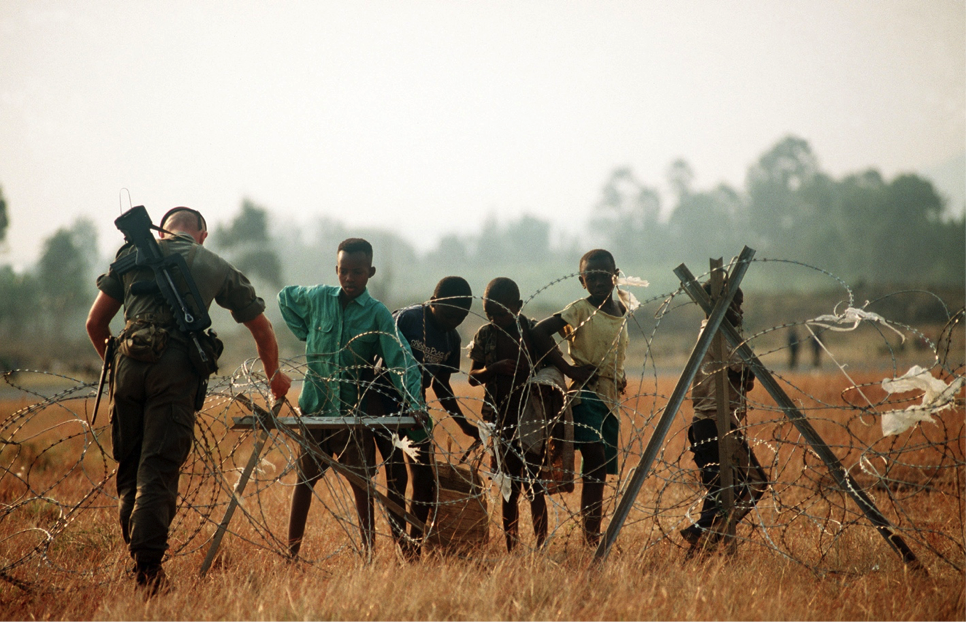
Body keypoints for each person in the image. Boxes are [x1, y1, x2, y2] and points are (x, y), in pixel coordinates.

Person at [85, 206, 291, 594]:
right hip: (175, 368)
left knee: (129, 469)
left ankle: (138, 556)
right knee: (157, 470)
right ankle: (147, 572)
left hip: (127, 364)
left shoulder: (130, 255)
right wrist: (274, 377)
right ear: (203, 234)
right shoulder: (214, 263)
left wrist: (117, 369)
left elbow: (95, 325)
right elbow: (261, 329)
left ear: (161, 232)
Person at [278, 238, 426, 559]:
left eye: (357, 272)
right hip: (316, 407)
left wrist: (415, 403)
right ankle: (292, 554)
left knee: (362, 486)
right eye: (344, 271)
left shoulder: (377, 315)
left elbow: (400, 359)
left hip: (352, 412)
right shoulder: (318, 298)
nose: (349, 278)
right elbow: (284, 298)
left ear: (370, 272)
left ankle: (368, 554)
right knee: (305, 481)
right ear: (336, 269)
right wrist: (305, 332)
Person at [369, 276, 479, 559]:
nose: (453, 320)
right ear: (433, 300)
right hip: (384, 404)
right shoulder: (407, 319)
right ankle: (402, 546)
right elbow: (377, 357)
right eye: (448, 313)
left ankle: (414, 542)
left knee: (425, 480)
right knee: (396, 476)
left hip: (416, 412)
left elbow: (441, 386)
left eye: (460, 316)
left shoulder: (451, 338)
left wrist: (465, 425)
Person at [532, 249, 629, 547]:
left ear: (616, 275)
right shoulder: (579, 311)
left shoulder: (622, 310)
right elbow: (539, 333)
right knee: (595, 460)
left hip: (609, 399)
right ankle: (591, 538)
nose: (599, 281)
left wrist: (619, 376)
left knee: (599, 472)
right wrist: (568, 368)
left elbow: (615, 350)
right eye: (592, 276)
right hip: (584, 395)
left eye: (605, 275)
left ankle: (591, 536)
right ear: (581, 281)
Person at [679, 281, 768, 556]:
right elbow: (744, 373)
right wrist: (746, 371)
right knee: (754, 483)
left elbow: (743, 378)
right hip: (717, 421)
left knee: (721, 486)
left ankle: (702, 544)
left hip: (706, 422)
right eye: (733, 304)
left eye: (740, 304)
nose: (739, 310)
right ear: (715, 305)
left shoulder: (709, 330)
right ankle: (704, 533)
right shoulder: (721, 332)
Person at [468, 277, 548, 552]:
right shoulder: (486, 334)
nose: (495, 319)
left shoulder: (532, 331)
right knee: (508, 487)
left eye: (501, 314)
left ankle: (541, 546)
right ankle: (511, 547)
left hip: (530, 417)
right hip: (500, 418)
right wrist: (493, 369)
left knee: (535, 485)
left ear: (518, 307)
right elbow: (472, 378)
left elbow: (551, 365)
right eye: (490, 314)